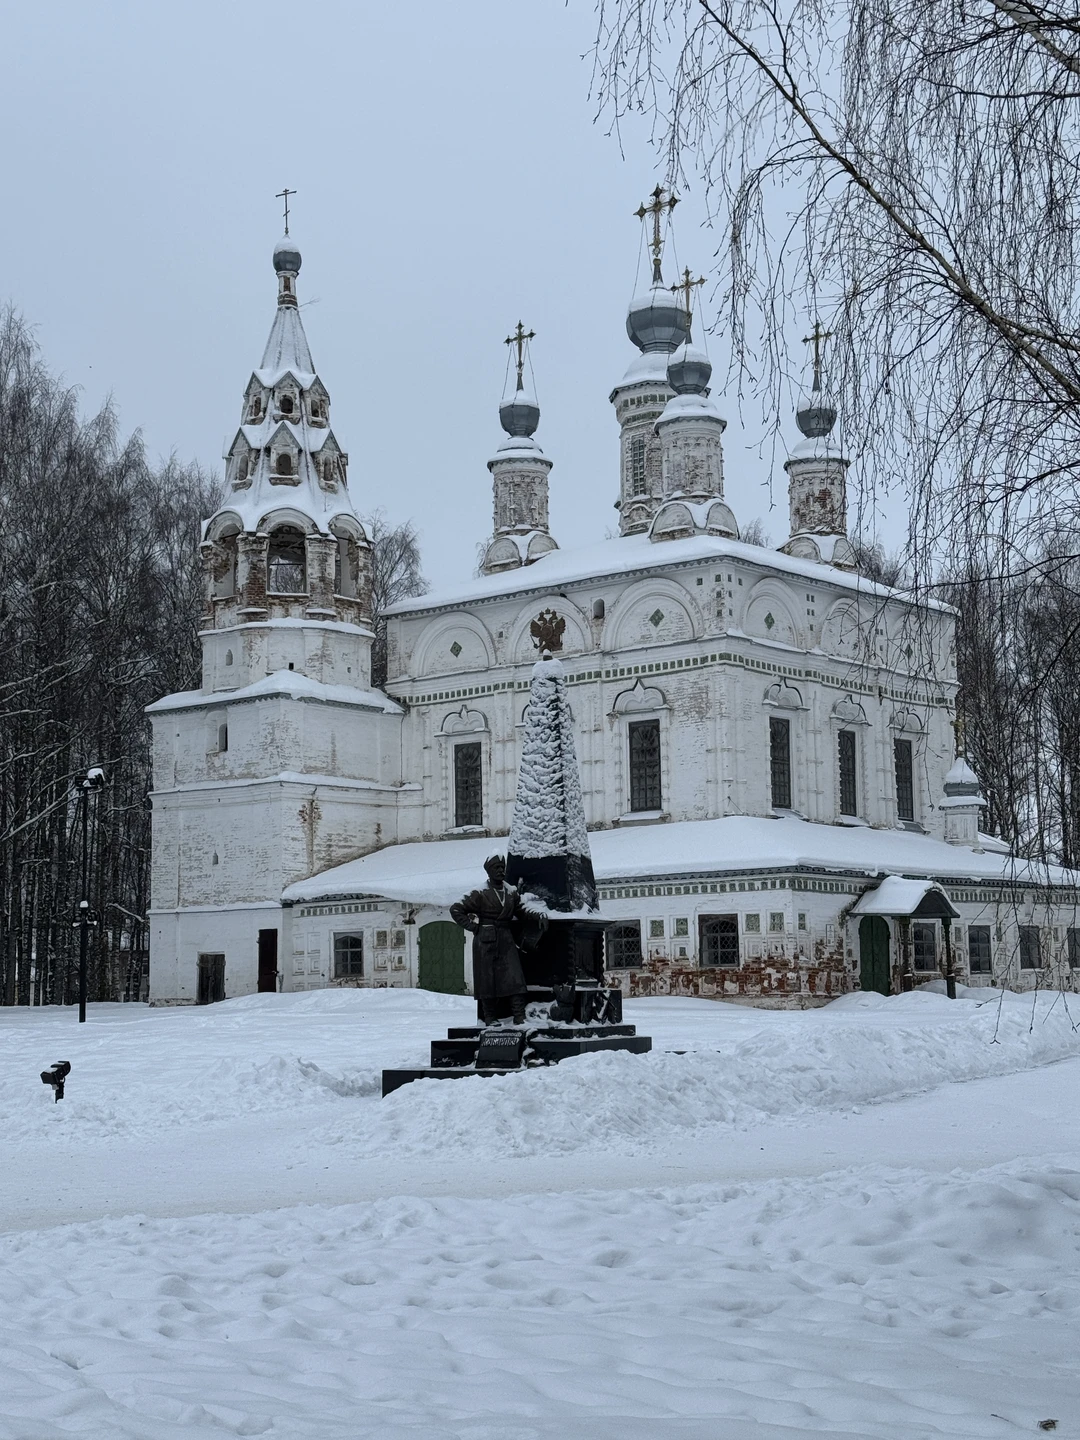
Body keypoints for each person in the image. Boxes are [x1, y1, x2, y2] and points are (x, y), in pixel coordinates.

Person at [450, 855, 529, 1025]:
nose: (500, 871)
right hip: (485, 941)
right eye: (496, 868)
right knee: (487, 980)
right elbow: (456, 909)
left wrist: (539, 915)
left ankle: (519, 1015)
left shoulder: (511, 891)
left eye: (502, 867)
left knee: (515, 977)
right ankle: (490, 1017)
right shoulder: (479, 892)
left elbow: (522, 910)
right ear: (489, 871)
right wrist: (474, 927)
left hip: (506, 939)